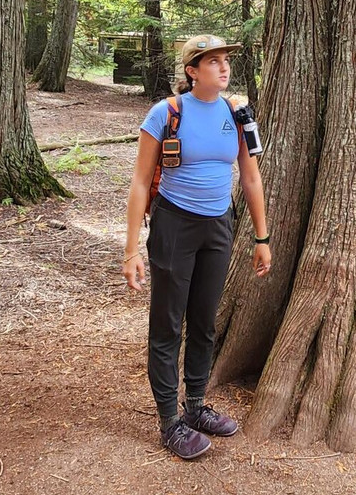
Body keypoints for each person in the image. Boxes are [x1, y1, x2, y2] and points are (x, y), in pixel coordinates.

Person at [123, 34, 271, 460]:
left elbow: (251, 178)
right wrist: (131, 250)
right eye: (213, 61)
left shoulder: (236, 113)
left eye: (226, 60)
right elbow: (139, 182)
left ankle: (195, 405)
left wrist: (261, 238)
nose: (224, 67)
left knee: (205, 322)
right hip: (174, 225)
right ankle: (169, 420)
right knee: (168, 324)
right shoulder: (166, 113)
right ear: (192, 71)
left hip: (218, 227)